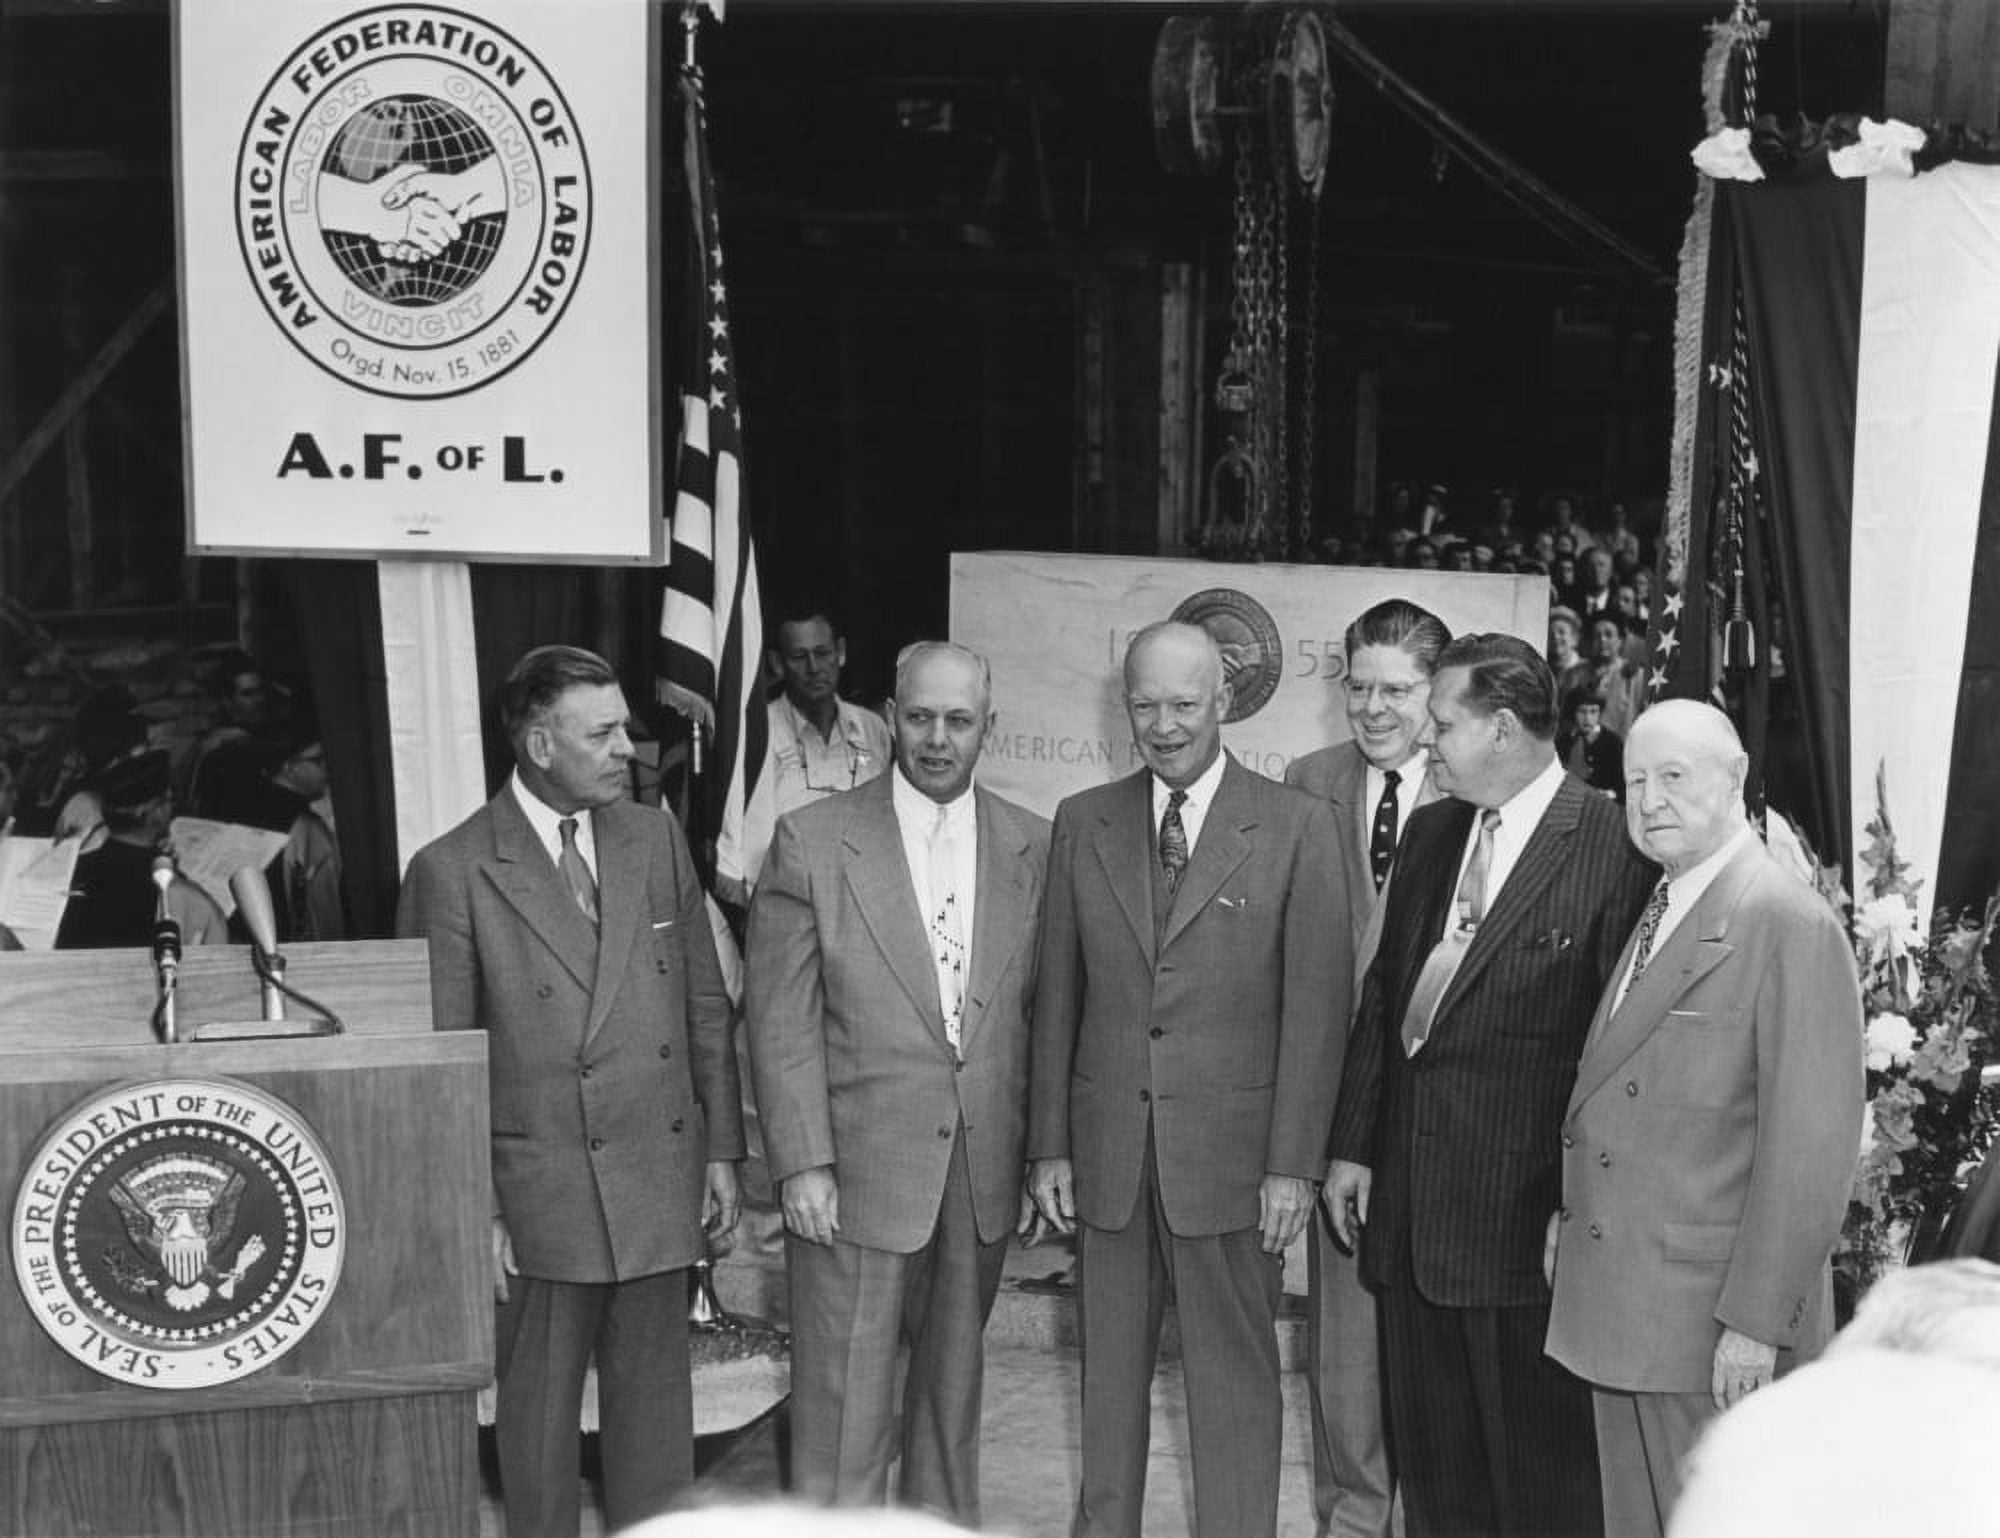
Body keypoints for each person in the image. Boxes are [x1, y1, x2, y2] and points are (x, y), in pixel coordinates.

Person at [395, 645, 743, 1538]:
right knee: (539, 1428)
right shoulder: (455, 870)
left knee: (658, 1420)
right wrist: (480, 1208)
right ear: (540, 745)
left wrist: (721, 1152)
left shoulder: (653, 836)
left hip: (659, 1171)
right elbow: (443, 1063)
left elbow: (703, 1000)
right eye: (604, 732)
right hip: (539, 1195)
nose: (629, 746)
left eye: (624, 725)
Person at [1325, 633, 1656, 1538]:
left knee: (1541, 1494)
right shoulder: (1434, 835)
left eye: (1444, 723)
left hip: (1525, 1241)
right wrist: (1354, 1144)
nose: (1428, 742)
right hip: (1411, 1226)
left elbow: (1618, 1060)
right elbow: (1387, 998)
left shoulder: (1610, 845)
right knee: (1439, 1490)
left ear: (1504, 728)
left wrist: (1577, 1210)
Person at [1028, 621, 1351, 1538]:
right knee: (1108, 1391)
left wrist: (1294, 1163)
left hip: (1237, 1164)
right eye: (1143, 704)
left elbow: (1318, 1012)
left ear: (1224, 701)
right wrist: (1049, 1141)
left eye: (1182, 703)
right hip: (1109, 1160)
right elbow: (1060, 996)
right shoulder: (1082, 819)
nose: (1162, 725)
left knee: (1236, 1392)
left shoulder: (1297, 827)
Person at [744, 640, 1049, 1523]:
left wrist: (1043, 1155)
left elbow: (1045, 1015)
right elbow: (779, 1018)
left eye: (960, 721)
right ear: (889, 716)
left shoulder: (1037, 843)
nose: (938, 739)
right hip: (856, 1171)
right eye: (919, 717)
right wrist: (801, 1162)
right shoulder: (814, 839)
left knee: (951, 1401)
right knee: (844, 1410)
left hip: (981, 1170)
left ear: (989, 726)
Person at [1544, 699, 1863, 1538]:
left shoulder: (1784, 921)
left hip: (1709, 1327)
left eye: (1674, 777)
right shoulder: (1668, 904)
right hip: (1628, 1307)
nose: (1650, 801)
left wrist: (1755, 1325)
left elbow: (1810, 1150)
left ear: (1736, 777)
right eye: (1635, 781)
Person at [1284, 597, 1452, 1538]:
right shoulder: (1306, 782)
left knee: (1429, 1349)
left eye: (1398, 689)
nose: (1376, 708)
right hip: (1334, 1117)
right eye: (1359, 686)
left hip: (1437, 1119)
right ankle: (1350, 1520)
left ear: (1439, 692)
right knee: (1343, 1355)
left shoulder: (1479, 789)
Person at [723, 605, 894, 911]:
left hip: (864, 903)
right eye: (799, 657)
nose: (814, 668)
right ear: (777, 663)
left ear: (840, 652)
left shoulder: (872, 728)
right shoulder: (757, 733)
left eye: (823, 653)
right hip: (787, 903)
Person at [53, 748, 228, 949]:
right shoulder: (165, 885)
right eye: (170, 801)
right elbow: (215, 932)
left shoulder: (76, 869)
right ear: (157, 812)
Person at [1560, 689, 1625, 800]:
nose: (1587, 718)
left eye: (1593, 712)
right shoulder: (1564, 741)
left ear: (1600, 713)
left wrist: (1610, 794)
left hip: (1604, 806)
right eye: (1582, 712)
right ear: (1574, 713)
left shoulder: (1614, 743)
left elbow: (1624, 785)